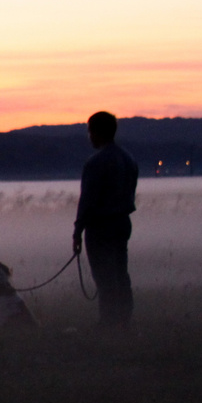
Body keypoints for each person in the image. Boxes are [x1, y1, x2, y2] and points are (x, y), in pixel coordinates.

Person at [72, 111, 138, 326]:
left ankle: (108, 322)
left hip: (100, 227)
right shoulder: (128, 159)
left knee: (104, 277)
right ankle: (124, 320)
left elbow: (88, 200)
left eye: (90, 131)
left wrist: (78, 230)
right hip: (122, 223)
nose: (89, 136)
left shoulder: (96, 163)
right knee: (121, 274)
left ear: (97, 132)